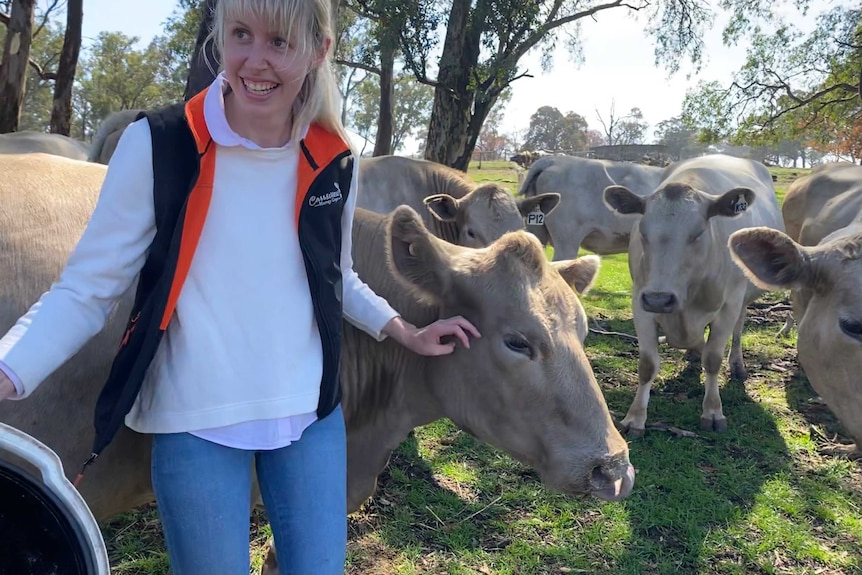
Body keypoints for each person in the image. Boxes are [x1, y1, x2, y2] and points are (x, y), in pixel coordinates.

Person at [0, 0, 480, 573]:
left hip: (311, 417)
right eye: (240, 34)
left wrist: (405, 330)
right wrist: (9, 366)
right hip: (194, 425)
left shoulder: (334, 158)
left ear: (319, 49)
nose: (255, 60)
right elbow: (86, 289)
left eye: (279, 42)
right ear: (219, 37)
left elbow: (336, 276)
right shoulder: (160, 145)